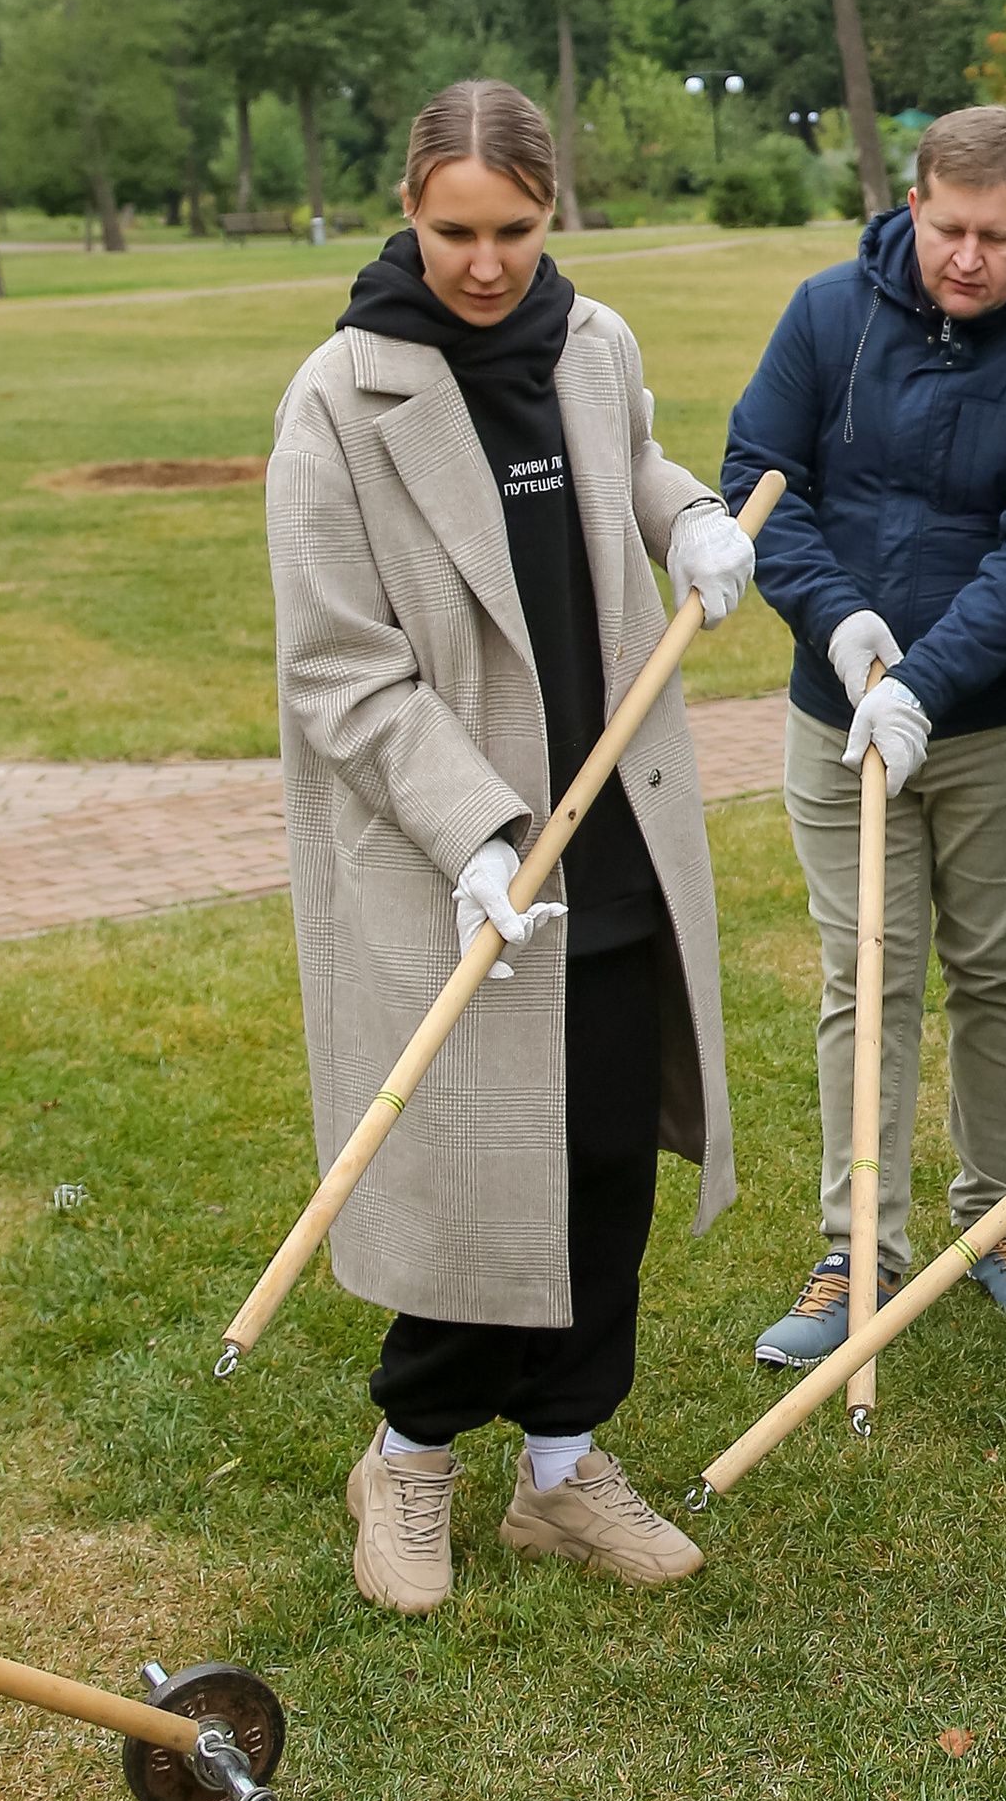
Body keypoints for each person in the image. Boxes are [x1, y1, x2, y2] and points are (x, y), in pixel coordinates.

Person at [268, 81, 758, 1615]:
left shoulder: (593, 346)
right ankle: (410, 1456)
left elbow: (629, 470)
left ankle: (562, 1467)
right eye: (455, 231)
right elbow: (340, 669)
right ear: (407, 211)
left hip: (611, 828)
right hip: (451, 845)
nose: (487, 264)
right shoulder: (340, 399)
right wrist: (477, 831)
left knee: (603, 1154)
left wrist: (687, 520)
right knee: (478, 1163)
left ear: (557, 215)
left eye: (517, 231)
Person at [725, 103, 1006, 1365]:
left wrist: (928, 683)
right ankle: (858, 1252)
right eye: (947, 228)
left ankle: (997, 1215)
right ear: (910, 208)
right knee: (864, 978)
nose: (968, 259)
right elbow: (758, 480)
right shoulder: (826, 314)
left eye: (998, 236)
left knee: (998, 973)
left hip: (1001, 722)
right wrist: (839, 627)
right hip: (839, 720)